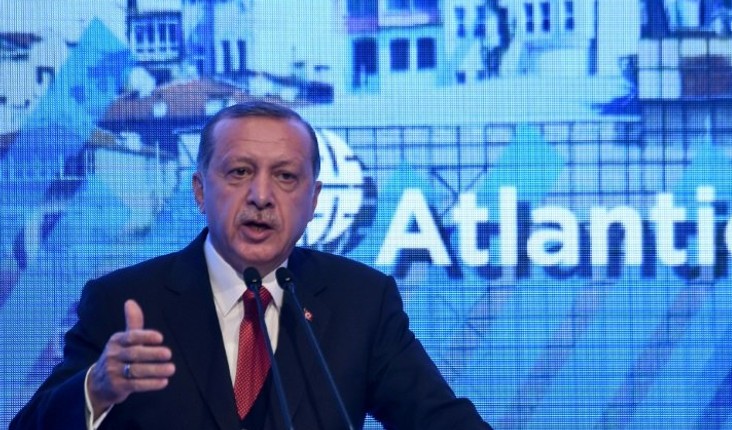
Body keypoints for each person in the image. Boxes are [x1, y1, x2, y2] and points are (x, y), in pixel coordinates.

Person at [10, 101, 492, 429]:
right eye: (239, 172)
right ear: (200, 190)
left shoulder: (360, 303)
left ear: (313, 200)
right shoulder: (126, 301)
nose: (261, 196)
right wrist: (96, 389)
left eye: (285, 177)